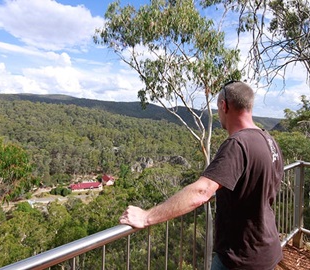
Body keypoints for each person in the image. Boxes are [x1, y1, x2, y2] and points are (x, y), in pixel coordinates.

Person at [119, 81, 284, 269]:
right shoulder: (269, 140)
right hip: (266, 250)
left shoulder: (237, 144)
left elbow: (202, 191)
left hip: (240, 258)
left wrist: (146, 216)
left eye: (218, 108)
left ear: (224, 105)